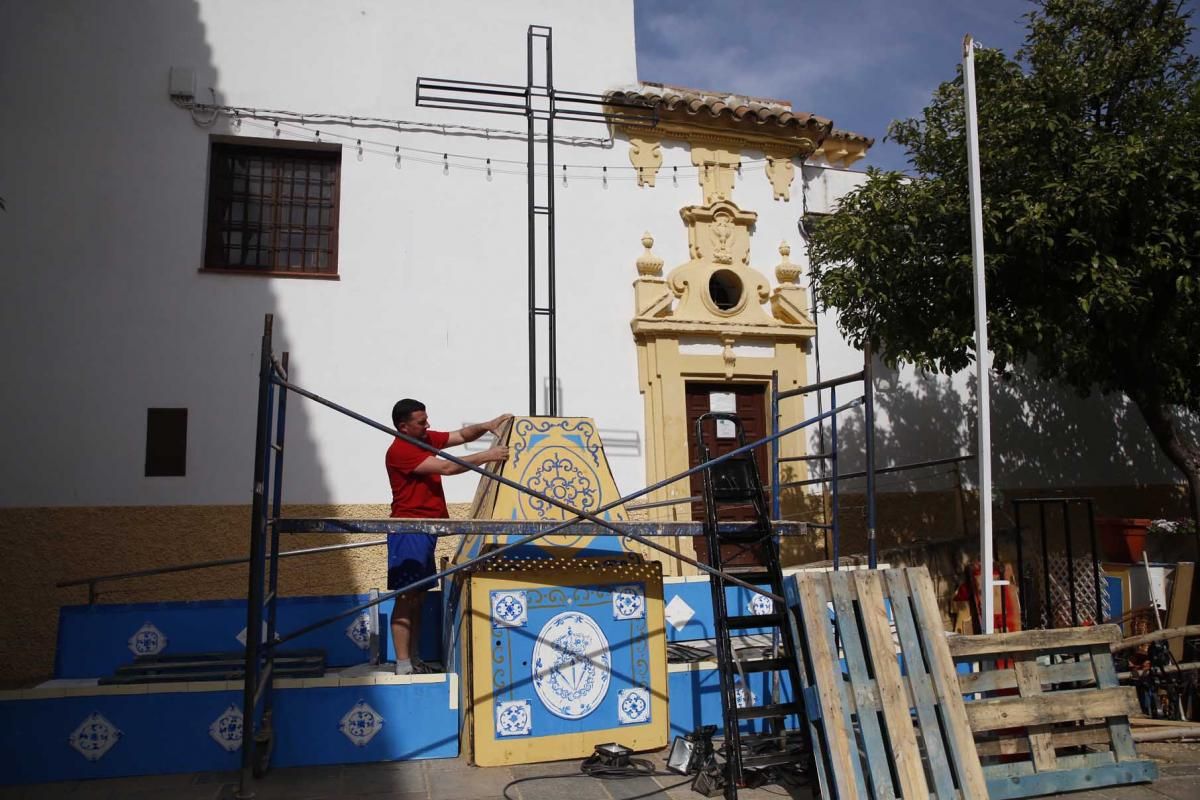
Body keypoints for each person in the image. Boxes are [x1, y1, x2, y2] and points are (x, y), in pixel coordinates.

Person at [385, 398, 510, 675]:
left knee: (417, 597)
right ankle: (403, 663)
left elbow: (460, 436)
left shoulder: (423, 438)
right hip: (410, 530)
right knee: (406, 597)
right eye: (421, 422)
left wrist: (487, 426)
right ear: (403, 427)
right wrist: (486, 456)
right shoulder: (401, 450)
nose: (427, 425)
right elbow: (447, 468)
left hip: (426, 530)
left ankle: (413, 659)